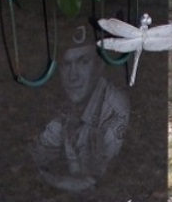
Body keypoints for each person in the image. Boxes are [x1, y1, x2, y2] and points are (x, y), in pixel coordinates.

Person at [30, 26, 130, 192]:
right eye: (66, 64)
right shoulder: (70, 102)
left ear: (99, 66)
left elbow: (101, 182)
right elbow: (38, 153)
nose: (73, 76)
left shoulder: (114, 111)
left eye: (83, 62)